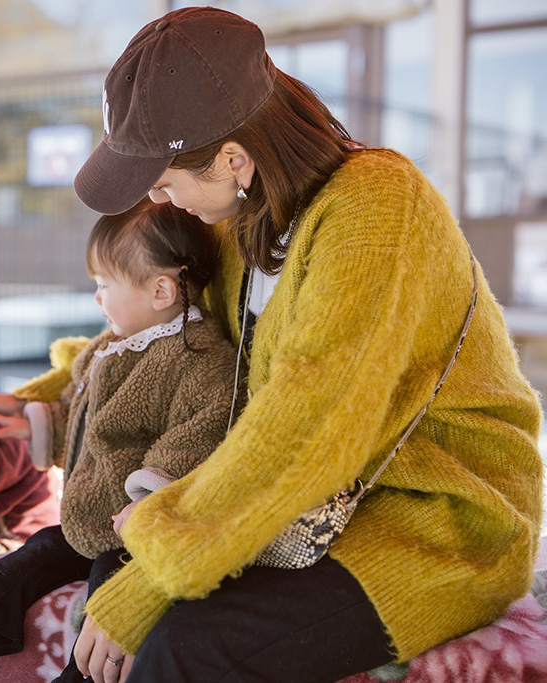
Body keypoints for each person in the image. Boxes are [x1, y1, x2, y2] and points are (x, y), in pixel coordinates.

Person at [56, 6, 544, 683]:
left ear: (233, 158)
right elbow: (160, 330)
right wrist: (43, 397)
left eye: (164, 181)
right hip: (306, 508)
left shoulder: (379, 207)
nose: (160, 201)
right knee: (104, 565)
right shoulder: (240, 221)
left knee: (184, 646)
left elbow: (310, 421)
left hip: (437, 525)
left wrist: (159, 573)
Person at [0, 197, 242, 679]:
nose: (96, 297)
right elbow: (88, 416)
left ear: (161, 290)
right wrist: (42, 422)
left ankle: (79, 675)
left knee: (107, 594)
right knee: (44, 548)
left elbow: (200, 434)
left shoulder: (201, 359)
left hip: (136, 532)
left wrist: (152, 499)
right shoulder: (105, 349)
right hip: (90, 519)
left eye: (104, 285)